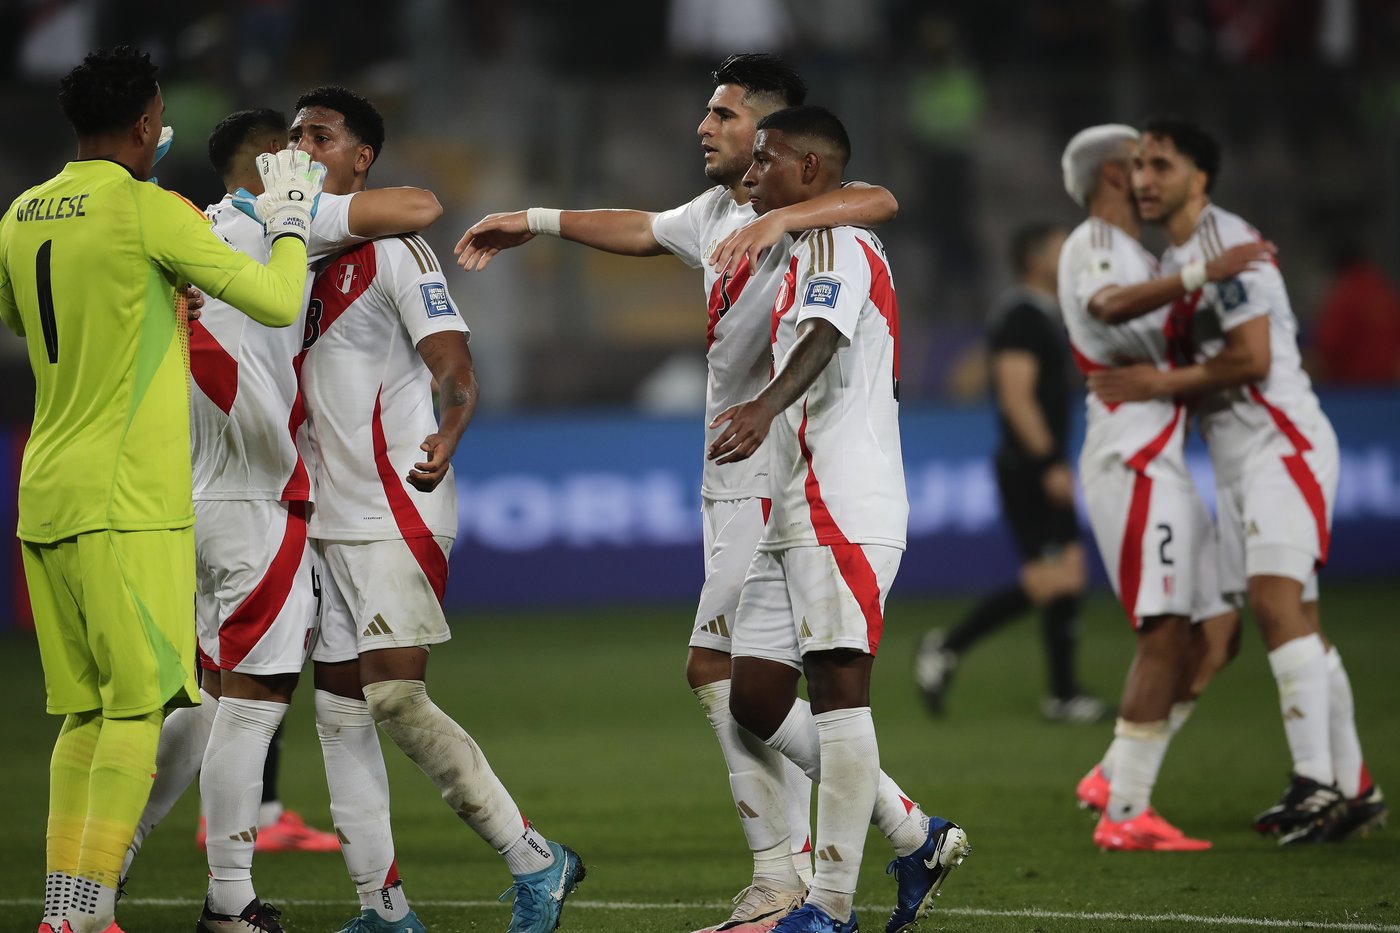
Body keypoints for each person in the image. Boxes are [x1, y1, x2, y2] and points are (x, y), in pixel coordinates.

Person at [456, 53, 906, 933]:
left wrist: (797, 216)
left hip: (786, 479)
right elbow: (639, 226)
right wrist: (538, 221)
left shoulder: (818, 224)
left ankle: (797, 877)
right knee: (748, 685)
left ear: (776, 135)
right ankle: (889, 835)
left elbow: (875, 200)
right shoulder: (720, 213)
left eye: (727, 116)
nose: (705, 127)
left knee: (732, 669)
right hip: (745, 475)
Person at [0, 46, 319, 933]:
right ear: (146, 124)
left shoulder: (21, 212)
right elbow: (269, 296)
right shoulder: (150, 209)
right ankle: (82, 910)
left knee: (83, 713)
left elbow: (21, 319)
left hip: (45, 492)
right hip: (126, 498)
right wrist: (291, 218)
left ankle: (71, 910)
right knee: (139, 707)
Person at [107, 106, 444, 931]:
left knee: (202, 702)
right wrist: (300, 206)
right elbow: (419, 208)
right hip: (256, 496)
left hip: (184, 495)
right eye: (293, 146)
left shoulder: (188, 227)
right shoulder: (280, 213)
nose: (303, 156)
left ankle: (98, 869)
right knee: (252, 705)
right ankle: (229, 901)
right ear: (268, 163)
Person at [289, 85, 584, 933]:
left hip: (395, 502)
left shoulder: (395, 250)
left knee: (392, 701)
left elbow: (451, 362)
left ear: (360, 158)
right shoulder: (285, 256)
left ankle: (536, 858)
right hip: (319, 514)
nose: (302, 148)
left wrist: (452, 424)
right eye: (294, 136)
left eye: (321, 136)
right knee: (338, 713)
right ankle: (383, 910)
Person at [1088, 117, 1388, 845]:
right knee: (1299, 620)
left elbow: (1253, 358)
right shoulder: (1190, 255)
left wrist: (1160, 380)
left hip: (1280, 445)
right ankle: (1353, 785)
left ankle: (1315, 780)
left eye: (1162, 164)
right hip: (1241, 456)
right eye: (1138, 165)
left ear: (1202, 176)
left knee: (1273, 601)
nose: (1146, 178)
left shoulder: (1225, 243)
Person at [711, 105, 971, 933]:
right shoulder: (799, 242)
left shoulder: (835, 241)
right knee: (751, 693)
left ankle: (828, 906)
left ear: (811, 171)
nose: (751, 176)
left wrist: (763, 404)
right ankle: (914, 833)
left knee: (837, 694)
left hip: (840, 499)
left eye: (767, 161)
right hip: (794, 503)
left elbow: (822, 334)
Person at [1054, 123, 1268, 852]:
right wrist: (1205, 273)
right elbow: (1111, 306)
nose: (1147, 178)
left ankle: (1115, 772)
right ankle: (1126, 816)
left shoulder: (1138, 254)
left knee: (1218, 632)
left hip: (1163, 457)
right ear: (1112, 174)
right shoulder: (1095, 242)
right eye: (1137, 165)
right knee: (1165, 632)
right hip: (1133, 456)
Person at [914, 222, 1106, 723]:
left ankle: (1063, 694)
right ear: (1035, 259)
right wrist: (1047, 461)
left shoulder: (1044, 314)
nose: (1071, 257)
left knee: (1068, 574)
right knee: (1050, 578)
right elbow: (1016, 397)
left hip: (1039, 461)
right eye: (1061, 249)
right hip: (1027, 465)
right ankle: (948, 645)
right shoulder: (1021, 315)